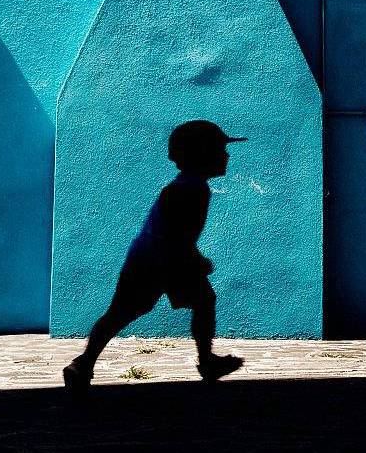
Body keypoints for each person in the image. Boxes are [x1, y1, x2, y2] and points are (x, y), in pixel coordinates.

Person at [63, 120, 246, 392]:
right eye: (220, 148)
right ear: (202, 154)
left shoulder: (190, 186)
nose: (226, 155)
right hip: (159, 263)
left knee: (122, 314)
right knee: (195, 302)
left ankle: (84, 364)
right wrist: (194, 261)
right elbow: (175, 236)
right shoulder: (189, 190)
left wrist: (191, 259)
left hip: (151, 261)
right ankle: (206, 362)